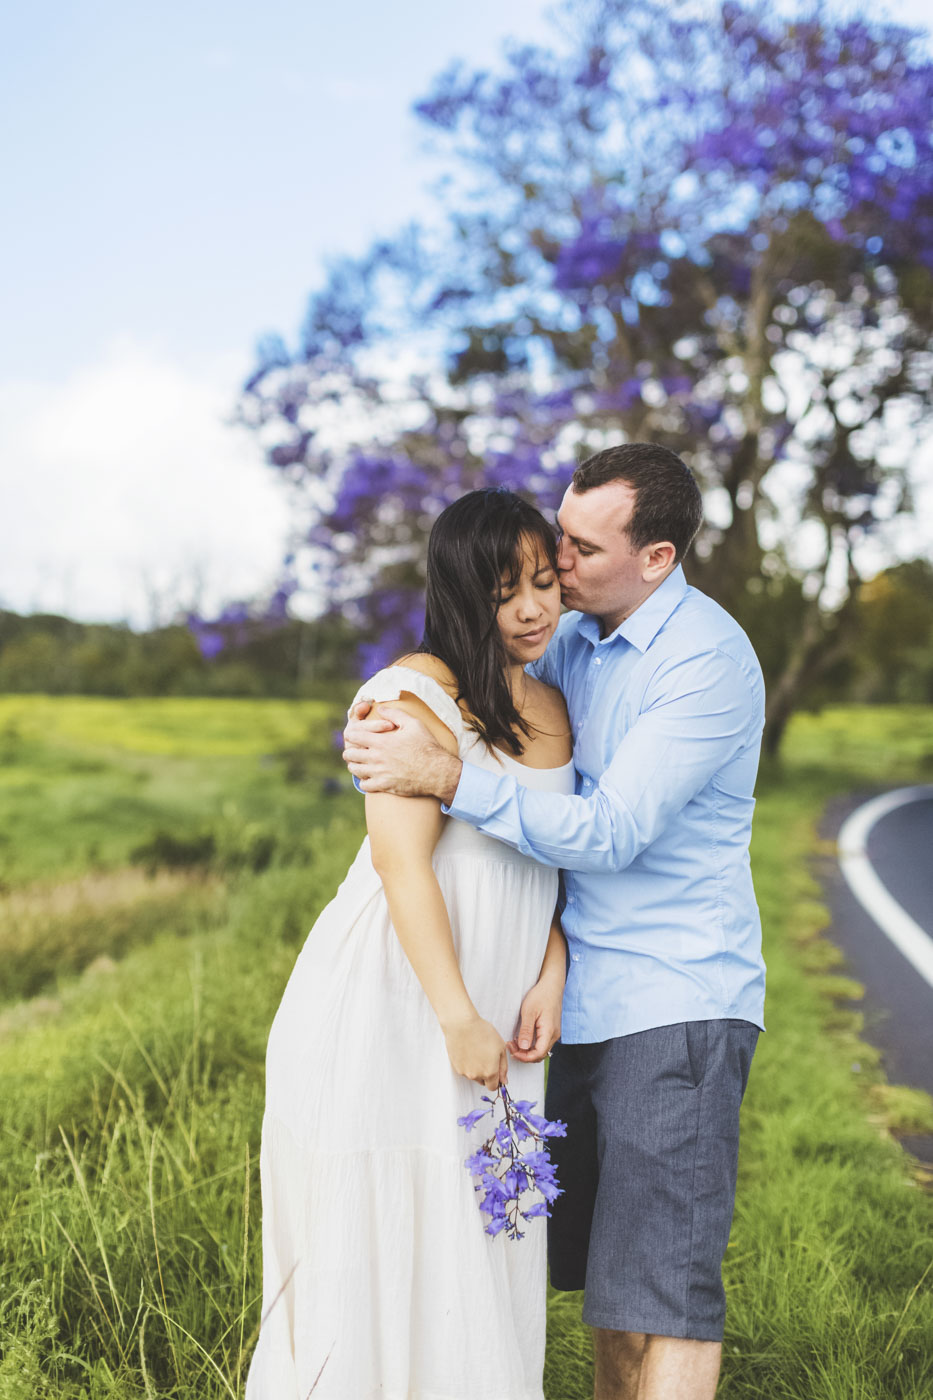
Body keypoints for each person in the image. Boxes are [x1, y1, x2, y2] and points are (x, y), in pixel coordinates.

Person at [343, 443, 767, 1400]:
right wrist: (378, 721)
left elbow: (609, 832)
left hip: (674, 1000)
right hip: (566, 1002)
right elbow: (464, 693)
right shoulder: (571, 640)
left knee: (666, 1292)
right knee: (608, 1295)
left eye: (575, 549)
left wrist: (448, 777)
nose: (554, 570)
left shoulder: (706, 661)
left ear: (654, 558)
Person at [246, 488, 575, 1400]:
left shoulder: (550, 701)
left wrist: (549, 970)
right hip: (400, 1001)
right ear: (463, 590)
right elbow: (402, 869)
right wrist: (456, 1016)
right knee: (395, 1210)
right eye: (507, 589)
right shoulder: (406, 695)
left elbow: (543, 859)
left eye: (545, 582)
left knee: (484, 1226)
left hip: (503, 1009)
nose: (533, 606)